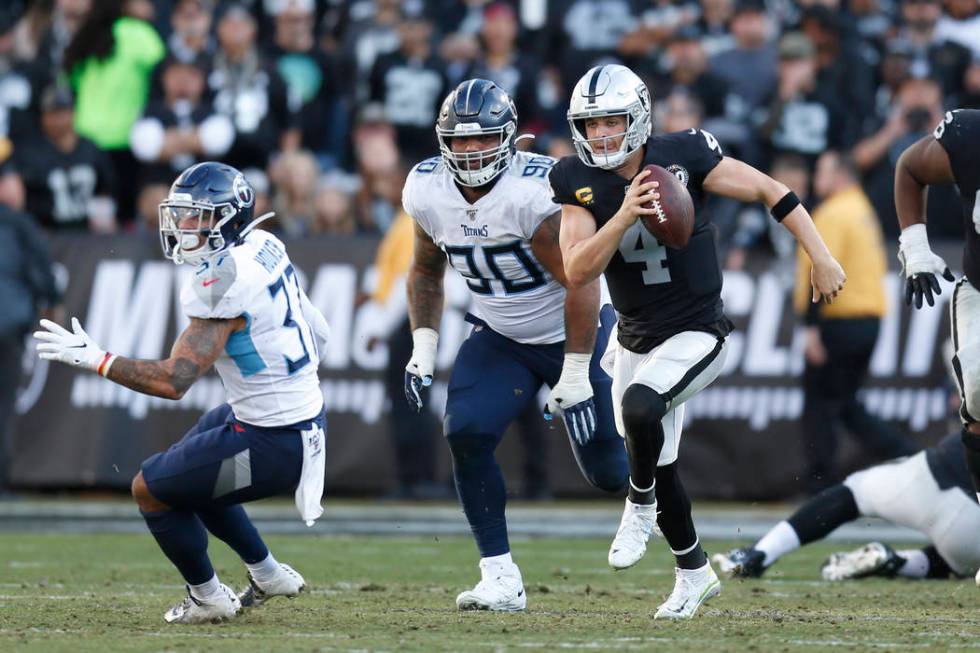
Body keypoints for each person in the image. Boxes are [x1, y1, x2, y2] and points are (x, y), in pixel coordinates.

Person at [550, 64, 846, 619]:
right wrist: (621, 215)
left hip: (697, 330)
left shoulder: (683, 154)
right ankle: (693, 572)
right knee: (659, 461)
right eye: (590, 125)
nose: (600, 136)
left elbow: (769, 188)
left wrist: (821, 254)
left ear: (637, 118)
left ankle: (637, 507)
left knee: (642, 410)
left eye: (611, 121)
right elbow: (577, 270)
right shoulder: (575, 180)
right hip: (634, 338)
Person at [33, 162, 330, 624]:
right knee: (190, 470)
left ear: (230, 217)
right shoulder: (265, 244)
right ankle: (268, 574)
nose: (184, 227)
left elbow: (174, 380)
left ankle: (208, 597)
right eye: (182, 215)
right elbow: (321, 332)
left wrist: (95, 358)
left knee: (151, 489)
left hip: (275, 441)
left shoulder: (222, 281)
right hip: (295, 419)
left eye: (198, 217)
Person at [402, 78, 628, 612]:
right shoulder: (426, 189)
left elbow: (581, 282)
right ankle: (500, 577)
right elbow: (425, 271)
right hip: (499, 334)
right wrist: (424, 346)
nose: (470, 150)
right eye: (460, 140)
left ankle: (670, 515)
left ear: (507, 138)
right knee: (466, 431)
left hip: (574, 330)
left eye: (482, 139)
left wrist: (574, 372)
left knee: (610, 473)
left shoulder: (535, 191)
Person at [794, 150, 919, 494]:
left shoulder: (833, 212)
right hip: (868, 321)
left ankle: (821, 483)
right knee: (846, 405)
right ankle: (909, 458)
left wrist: (810, 327)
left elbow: (820, 268)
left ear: (840, 176)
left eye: (822, 170)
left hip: (840, 321)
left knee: (820, 405)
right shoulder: (862, 209)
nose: (816, 177)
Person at [893, 108, 980, 582]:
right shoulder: (971, 137)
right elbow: (909, 167)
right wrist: (916, 245)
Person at [712, 431, 980, 582]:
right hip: (969, 538)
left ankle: (759, 554)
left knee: (855, 491)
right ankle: (897, 562)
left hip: (931, 476)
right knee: (960, 564)